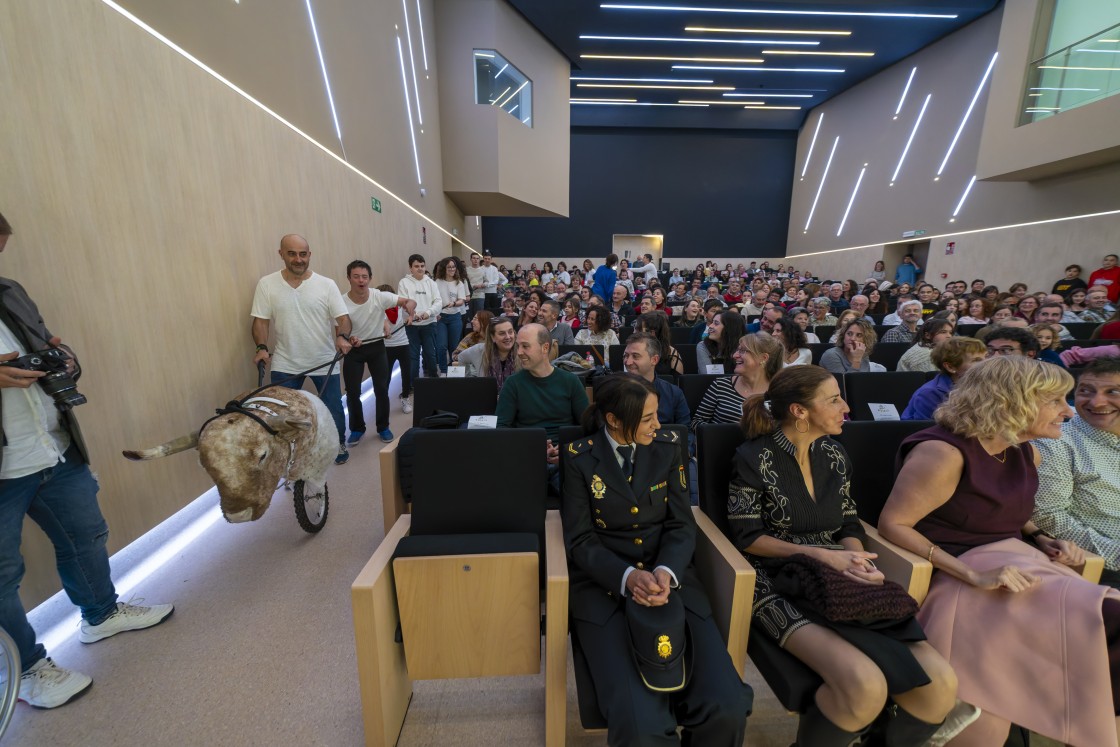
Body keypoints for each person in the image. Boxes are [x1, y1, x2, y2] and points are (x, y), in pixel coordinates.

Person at [879, 357, 1120, 746]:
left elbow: (1005, 506)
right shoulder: (943, 453)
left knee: (1107, 623)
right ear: (1012, 402)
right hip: (961, 575)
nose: (1069, 410)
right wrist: (970, 574)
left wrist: (1041, 536)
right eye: (1055, 400)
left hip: (1018, 563)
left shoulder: (1026, 451)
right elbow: (895, 524)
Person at [729, 365, 958, 745]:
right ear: (800, 411)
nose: (846, 407)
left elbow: (850, 524)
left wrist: (858, 559)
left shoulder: (835, 454)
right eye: (834, 399)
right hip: (774, 577)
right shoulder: (753, 458)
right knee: (863, 685)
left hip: (840, 575)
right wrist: (822, 555)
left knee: (941, 686)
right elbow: (748, 537)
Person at [0, 212, 174, 709]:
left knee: (86, 535)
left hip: (51, 444)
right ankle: (25, 670)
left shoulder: (10, 289)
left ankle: (100, 614)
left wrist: (62, 358)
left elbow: (44, 346)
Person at [562, 374, 752, 746]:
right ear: (614, 420)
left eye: (657, 415)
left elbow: (682, 524)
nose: (658, 424)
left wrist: (666, 571)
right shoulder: (579, 459)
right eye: (647, 418)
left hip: (673, 582)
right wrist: (628, 577)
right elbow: (581, 539)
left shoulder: (667, 446)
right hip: (605, 588)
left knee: (726, 705)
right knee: (640, 724)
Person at [252, 234, 353, 465]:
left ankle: (337, 444)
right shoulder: (267, 284)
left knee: (333, 409)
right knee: (283, 414)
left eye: (303, 254)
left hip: (324, 360)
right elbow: (260, 321)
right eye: (292, 254)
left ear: (309, 255)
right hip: (286, 362)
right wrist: (261, 347)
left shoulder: (326, 284)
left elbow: (343, 319)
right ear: (281, 254)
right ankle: (289, 454)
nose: (298, 259)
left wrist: (342, 336)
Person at [1033, 357, 1120, 588]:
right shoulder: (1056, 442)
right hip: (1098, 566)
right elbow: (1048, 516)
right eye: (1086, 391)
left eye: (1113, 391)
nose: (1097, 402)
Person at [496, 324, 589, 486]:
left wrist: (567, 451)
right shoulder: (513, 384)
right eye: (518, 346)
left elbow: (589, 427)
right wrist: (533, 448)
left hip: (566, 460)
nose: (519, 352)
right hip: (525, 459)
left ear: (545, 347)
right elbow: (501, 428)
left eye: (525, 346)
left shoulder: (570, 382)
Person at [341, 261, 416, 444]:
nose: (361, 280)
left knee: (382, 389)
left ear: (370, 278)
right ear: (349, 278)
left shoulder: (379, 296)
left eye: (365, 276)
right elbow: (341, 332)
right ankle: (357, 429)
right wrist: (348, 339)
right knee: (352, 392)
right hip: (354, 351)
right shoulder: (341, 301)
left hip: (376, 347)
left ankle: (383, 427)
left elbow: (407, 301)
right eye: (356, 276)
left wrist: (410, 305)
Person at [691, 332, 782, 430]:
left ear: (763, 358)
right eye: (738, 350)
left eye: (743, 351)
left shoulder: (780, 393)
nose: (734, 355)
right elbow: (697, 422)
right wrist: (720, 434)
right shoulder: (721, 385)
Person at [901, 337, 987, 420]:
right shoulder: (929, 394)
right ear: (950, 367)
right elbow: (932, 432)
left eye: (986, 357)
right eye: (977, 360)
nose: (986, 363)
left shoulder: (983, 385)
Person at [397, 254, 442, 391]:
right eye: (416, 266)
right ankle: (413, 385)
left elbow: (438, 301)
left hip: (429, 324)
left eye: (422, 266)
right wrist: (413, 314)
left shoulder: (431, 283)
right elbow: (403, 301)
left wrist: (427, 313)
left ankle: (434, 380)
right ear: (410, 268)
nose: (420, 269)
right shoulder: (403, 283)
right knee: (413, 356)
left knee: (430, 353)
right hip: (411, 326)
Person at [623, 333, 689, 426]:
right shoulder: (613, 390)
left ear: (654, 360)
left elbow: (686, 433)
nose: (628, 362)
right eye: (626, 355)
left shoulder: (674, 394)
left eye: (635, 356)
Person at [377, 284, 415, 414]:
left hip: (403, 344)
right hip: (386, 347)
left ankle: (405, 397)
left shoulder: (400, 308)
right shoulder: (378, 311)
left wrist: (411, 316)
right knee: (385, 377)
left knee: (406, 374)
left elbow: (412, 308)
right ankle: (383, 402)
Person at [457, 316, 519, 391]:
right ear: (492, 337)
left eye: (510, 332)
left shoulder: (521, 352)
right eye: (502, 333)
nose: (508, 337)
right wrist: (470, 379)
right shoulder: (479, 350)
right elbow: (461, 358)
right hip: (487, 399)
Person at [635, 312, 683, 376]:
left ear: (652, 333)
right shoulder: (632, 350)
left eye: (638, 330)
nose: (634, 332)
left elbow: (677, 382)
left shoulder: (671, 353)